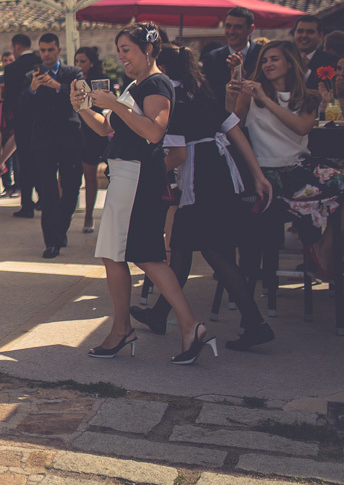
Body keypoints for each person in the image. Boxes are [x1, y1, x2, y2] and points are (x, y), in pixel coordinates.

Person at [71, 22, 214, 365]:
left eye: (127, 49)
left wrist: (114, 104)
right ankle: (127, 328)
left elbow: (154, 132)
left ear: (148, 50)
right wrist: (82, 107)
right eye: (118, 50)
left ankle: (181, 326)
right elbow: (107, 128)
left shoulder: (156, 83)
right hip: (124, 176)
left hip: (136, 177)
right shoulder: (136, 85)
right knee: (115, 254)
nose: (121, 56)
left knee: (143, 255)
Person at [130, 44, 275, 350]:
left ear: (163, 68)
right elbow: (236, 132)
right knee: (182, 250)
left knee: (215, 253)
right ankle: (159, 315)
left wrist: (146, 177)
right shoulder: (202, 93)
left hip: (200, 183)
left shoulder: (172, 98)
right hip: (222, 175)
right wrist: (258, 176)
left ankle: (255, 323)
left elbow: (178, 155)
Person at [229, 40, 343, 305]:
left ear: (290, 63)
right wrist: (233, 93)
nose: (268, 64)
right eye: (265, 60)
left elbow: (301, 128)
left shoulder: (307, 98)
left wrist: (266, 100)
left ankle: (323, 247)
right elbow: (232, 124)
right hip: (266, 173)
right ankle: (317, 248)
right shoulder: (251, 93)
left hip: (298, 169)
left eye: (274, 59)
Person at [27, 33, 84, 258]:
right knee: (48, 192)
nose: (47, 54)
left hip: (69, 139)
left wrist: (57, 86)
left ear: (59, 49)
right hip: (43, 141)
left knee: (71, 188)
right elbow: (23, 108)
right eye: (43, 50)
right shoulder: (31, 76)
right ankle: (52, 241)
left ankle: (61, 229)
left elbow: (80, 99)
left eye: (51, 50)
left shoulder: (72, 73)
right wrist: (32, 88)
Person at [3, 34, 42, 216]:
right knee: (42, 161)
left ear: (17, 47)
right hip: (42, 120)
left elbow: (10, 100)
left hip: (23, 120)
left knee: (25, 162)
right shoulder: (41, 63)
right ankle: (44, 199)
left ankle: (27, 205)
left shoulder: (11, 69)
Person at [74, 47, 111, 234]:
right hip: (75, 130)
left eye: (83, 61)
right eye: (77, 61)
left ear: (92, 63)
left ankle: (89, 215)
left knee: (90, 175)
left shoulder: (99, 82)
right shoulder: (73, 80)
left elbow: (100, 107)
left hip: (93, 131)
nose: (79, 65)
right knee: (67, 175)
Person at [202, 6, 263, 109]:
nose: (231, 31)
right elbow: (206, 93)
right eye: (228, 26)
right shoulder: (212, 58)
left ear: (251, 29)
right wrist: (229, 87)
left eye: (238, 27)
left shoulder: (263, 55)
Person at [293, 14, 340, 86]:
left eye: (310, 32)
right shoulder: (285, 59)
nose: (304, 35)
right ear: (294, 33)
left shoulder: (332, 61)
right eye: (300, 31)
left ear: (320, 35)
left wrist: (306, 71)